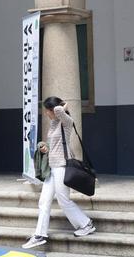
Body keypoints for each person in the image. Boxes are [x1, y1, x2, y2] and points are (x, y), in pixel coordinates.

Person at [23, 97, 95, 248]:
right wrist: (46, 148)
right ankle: (40, 235)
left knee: (63, 200)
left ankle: (86, 224)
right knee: (44, 201)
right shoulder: (54, 123)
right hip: (52, 167)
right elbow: (55, 144)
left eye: (47, 110)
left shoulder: (66, 121)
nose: (47, 113)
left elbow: (59, 111)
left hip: (62, 166)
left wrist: (62, 105)